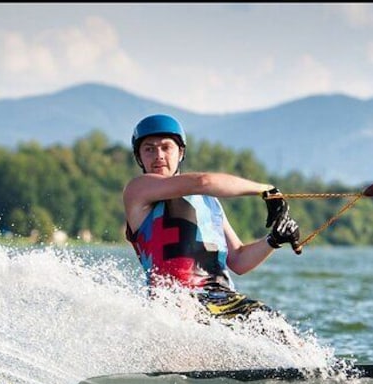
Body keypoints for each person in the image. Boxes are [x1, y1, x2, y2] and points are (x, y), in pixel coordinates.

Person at [123, 113, 301, 321]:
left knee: (272, 322)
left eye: (166, 147)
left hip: (222, 301)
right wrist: (265, 190)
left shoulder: (208, 202)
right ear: (139, 157)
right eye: (149, 149)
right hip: (176, 302)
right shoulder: (137, 191)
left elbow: (239, 260)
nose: (158, 155)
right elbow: (204, 181)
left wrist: (274, 240)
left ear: (180, 153)